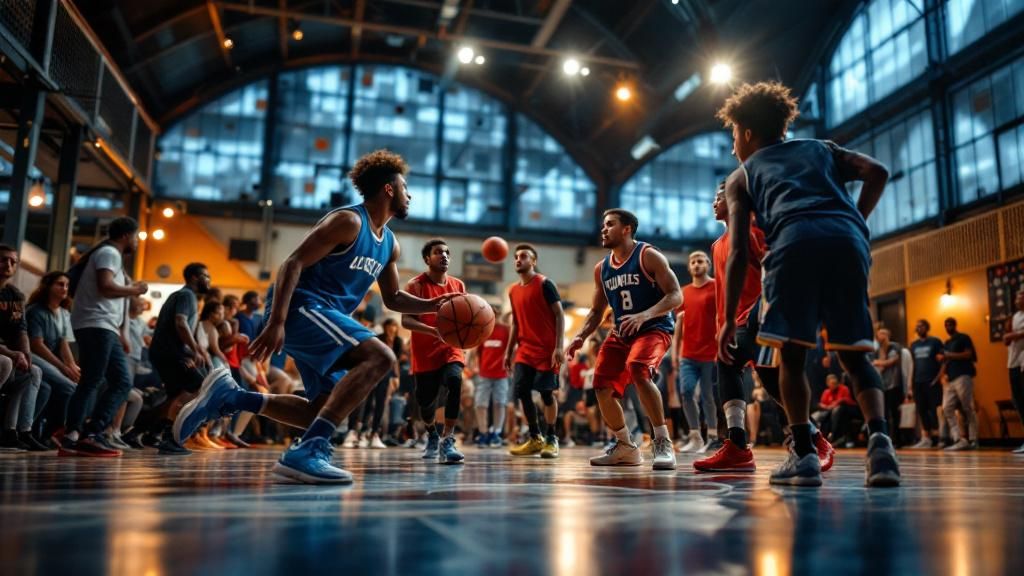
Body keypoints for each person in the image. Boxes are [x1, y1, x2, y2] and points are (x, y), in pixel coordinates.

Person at [173, 149, 451, 483]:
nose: (410, 195)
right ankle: (308, 451)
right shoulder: (349, 221)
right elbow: (292, 263)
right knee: (381, 357)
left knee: (321, 408)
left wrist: (435, 304)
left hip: (326, 316)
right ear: (389, 189)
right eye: (405, 187)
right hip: (302, 306)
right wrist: (276, 321)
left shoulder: (390, 244)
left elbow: (393, 298)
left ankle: (232, 397)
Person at [716, 81, 900, 487]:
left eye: (734, 136)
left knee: (792, 357)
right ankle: (881, 446)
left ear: (747, 132)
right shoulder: (822, 148)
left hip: (793, 243)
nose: (733, 147)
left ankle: (803, 455)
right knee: (855, 356)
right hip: (848, 242)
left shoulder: (741, 175)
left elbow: (739, 253)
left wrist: (728, 319)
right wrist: (855, 221)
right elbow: (878, 172)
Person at [566, 209, 680, 470]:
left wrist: (645, 314)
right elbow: (596, 311)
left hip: (654, 327)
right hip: (621, 332)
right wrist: (580, 336)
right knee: (601, 386)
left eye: (610, 224)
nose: (603, 229)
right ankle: (625, 445)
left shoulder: (648, 255)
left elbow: (676, 295)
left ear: (627, 229)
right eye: (603, 225)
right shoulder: (602, 268)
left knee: (638, 368)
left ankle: (662, 441)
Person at [60, 218, 149, 456]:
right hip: (96, 324)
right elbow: (106, 287)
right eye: (136, 237)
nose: (137, 242)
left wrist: (121, 332)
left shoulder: (110, 255)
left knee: (120, 382)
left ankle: (89, 432)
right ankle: (78, 434)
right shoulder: (109, 253)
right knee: (94, 380)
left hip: (105, 327)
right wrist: (135, 290)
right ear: (126, 236)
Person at [402, 239, 467, 464]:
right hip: (424, 353)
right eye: (438, 252)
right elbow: (406, 321)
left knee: (455, 381)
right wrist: (432, 331)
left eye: (447, 252)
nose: (444, 255)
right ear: (427, 259)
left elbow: (466, 318)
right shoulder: (415, 286)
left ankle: (448, 439)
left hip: (450, 348)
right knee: (426, 404)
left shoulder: (458, 285)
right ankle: (432, 433)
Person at [506, 244, 565, 459]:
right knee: (522, 392)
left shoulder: (545, 284)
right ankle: (535, 437)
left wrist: (559, 346)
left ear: (533, 261)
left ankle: (551, 437)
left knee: (546, 393)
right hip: (525, 350)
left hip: (547, 350)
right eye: (516, 257)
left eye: (524, 256)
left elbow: (559, 314)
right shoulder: (512, 290)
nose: (518, 259)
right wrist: (508, 351)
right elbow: (515, 322)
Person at [147, 263, 213, 454]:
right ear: (194, 278)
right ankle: (170, 437)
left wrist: (193, 350)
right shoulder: (187, 295)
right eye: (206, 276)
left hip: (166, 351)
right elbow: (181, 322)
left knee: (175, 393)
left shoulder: (183, 295)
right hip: (170, 352)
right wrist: (195, 349)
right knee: (197, 386)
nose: (209, 280)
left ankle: (152, 432)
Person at [673, 251, 720, 453]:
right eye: (693, 262)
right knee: (686, 391)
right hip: (688, 355)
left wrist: (721, 347)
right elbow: (679, 325)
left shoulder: (716, 287)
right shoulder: (683, 292)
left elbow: (721, 318)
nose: (696, 264)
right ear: (689, 267)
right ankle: (695, 437)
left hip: (711, 353)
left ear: (708, 264)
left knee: (708, 395)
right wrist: (675, 353)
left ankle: (713, 436)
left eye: (700, 261)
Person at [25, 272, 79, 448]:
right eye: (60, 284)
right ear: (47, 286)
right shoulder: (35, 311)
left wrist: (72, 366)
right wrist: (63, 367)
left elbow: (63, 343)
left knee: (68, 385)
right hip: (33, 356)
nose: (64, 288)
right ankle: (54, 433)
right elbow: (36, 345)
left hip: (51, 361)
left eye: (67, 285)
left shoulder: (64, 313)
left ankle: (44, 434)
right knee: (69, 387)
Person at [0, 245, 45, 452]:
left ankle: (17, 431)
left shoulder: (15, 295)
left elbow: (21, 329)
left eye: (13, 261)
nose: (8, 265)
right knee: (5, 362)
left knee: (33, 371)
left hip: (7, 352)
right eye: (3, 259)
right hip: (4, 355)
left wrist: (26, 355)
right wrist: (11, 353)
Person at [471, 307, 509, 448]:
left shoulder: (506, 330)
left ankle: (496, 433)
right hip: (484, 373)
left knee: (500, 403)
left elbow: (511, 348)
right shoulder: (483, 330)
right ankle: (483, 433)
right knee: (480, 404)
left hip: (501, 373)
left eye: (496, 314)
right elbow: (478, 352)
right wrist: (476, 367)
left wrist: (510, 365)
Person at [941, 317, 979, 451]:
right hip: (950, 378)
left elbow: (969, 355)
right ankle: (958, 439)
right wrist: (942, 373)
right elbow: (946, 360)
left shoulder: (963, 337)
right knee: (947, 408)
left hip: (963, 375)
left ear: (955, 325)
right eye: (946, 325)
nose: (948, 327)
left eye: (950, 325)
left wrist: (949, 355)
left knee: (967, 407)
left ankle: (973, 439)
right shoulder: (947, 342)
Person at [908, 319, 944, 449]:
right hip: (918, 382)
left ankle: (939, 438)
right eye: (917, 327)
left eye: (922, 326)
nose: (919, 328)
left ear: (927, 328)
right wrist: (911, 384)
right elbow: (912, 364)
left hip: (932, 381)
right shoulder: (914, 345)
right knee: (922, 410)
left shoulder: (935, 341)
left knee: (934, 410)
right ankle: (926, 438)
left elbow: (943, 361)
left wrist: (938, 378)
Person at [872, 328, 907, 447]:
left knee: (895, 413)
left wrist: (878, 363)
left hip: (894, 384)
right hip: (882, 385)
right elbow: (873, 364)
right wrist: (879, 363)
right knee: (884, 414)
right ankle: (887, 440)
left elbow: (892, 361)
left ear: (887, 335)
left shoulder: (894, 346)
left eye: (882, 333)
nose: (880, 336)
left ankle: (898, 440)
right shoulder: (877, 350)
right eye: (878, 334)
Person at [1004, 290, 1024, 453]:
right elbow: (1007, 340)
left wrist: (1014, 335)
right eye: (1016, 297)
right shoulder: (1015, 316)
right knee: (1018, 401)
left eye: (1020, 296)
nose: (1017, 299)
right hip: (1013, 363)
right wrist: (1008, 336)